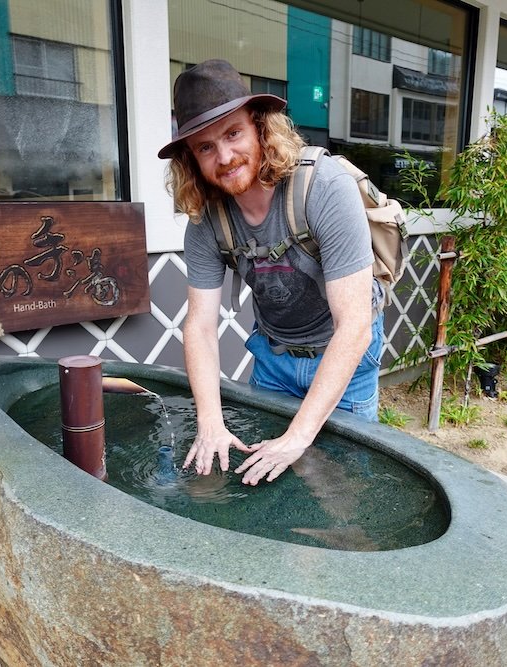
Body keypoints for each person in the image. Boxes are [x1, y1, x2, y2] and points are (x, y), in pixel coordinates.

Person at [158, 59, 385, 486]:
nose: (224, 157)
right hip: (273, 357)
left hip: (343, 359)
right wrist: (210, 422)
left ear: (260, 127)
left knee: (342, 491)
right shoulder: (207, 221)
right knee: (269, 484)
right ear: (190, 158)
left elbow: (355, 326)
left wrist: (298, 436)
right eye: (205, 147)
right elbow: (201, 327)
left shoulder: (323, 187)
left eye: (233, 133)